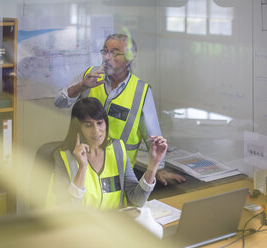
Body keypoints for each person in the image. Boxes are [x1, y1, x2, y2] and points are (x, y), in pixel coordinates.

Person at [54, 33, 185, 186]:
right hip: (82, 164)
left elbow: (153, 137)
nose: (107, 57)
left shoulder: (140, 91)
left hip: (118, 173)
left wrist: (158, 168)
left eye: (114, 53)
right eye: (105, 51)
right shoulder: (90, 75)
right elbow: (59, 102)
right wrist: (82, 86)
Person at [53, 97, 167, 209]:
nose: (96, 131)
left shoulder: (117, 149)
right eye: (88, 125)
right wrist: (82, 168)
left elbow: (137, 200)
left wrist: (153, 164)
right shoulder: (64, 157)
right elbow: (67, 209)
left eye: (100, 123)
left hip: (115, 224)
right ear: (78, 128)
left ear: (106, 124)